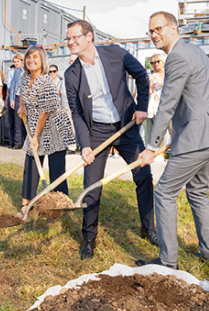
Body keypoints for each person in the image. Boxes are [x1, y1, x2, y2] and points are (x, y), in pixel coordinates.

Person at [135, 11, 209, 270]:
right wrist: (202, 108)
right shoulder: (195, 50)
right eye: (150, 31)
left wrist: (150, 148)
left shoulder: (177, 57)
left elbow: (167, 104)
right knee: (197, 191)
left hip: (198, 138)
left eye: (158, 29)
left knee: (165, 191)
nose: (154, 34)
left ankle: (168, 261)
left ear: (173, 28)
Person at [64, 19, 155, 260]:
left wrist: (142, 107)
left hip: (126, 125)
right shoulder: (72, 74)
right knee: (92, 186)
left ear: (89, 37)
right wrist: (84, 145)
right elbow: (77, 113)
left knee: (143, 175)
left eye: (75, 38)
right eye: (68, 39)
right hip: (97, 132)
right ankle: (89, 239)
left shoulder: (115, 54)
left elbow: (143, 77)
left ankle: (148, 228)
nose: (70, 42)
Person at [17, 46, 75, 216]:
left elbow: (45, 112)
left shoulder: (47, 82)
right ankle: (26, 205)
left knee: (56, 169)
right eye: (28, 57)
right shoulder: (24, 77)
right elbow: (21, 93)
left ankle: (60, 206)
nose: (31, 60)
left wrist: (36, 137)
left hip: (53, 127)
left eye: (35, 57)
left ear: (42, 61)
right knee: (31, 166)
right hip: (35, 124)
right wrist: (21, 107)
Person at [144, 53, 167, 149]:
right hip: (151, 106)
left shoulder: (169, 75)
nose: (155, 64)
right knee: (148, 131)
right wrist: (150, 81)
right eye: (153, 62)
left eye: (158, 61)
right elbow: (150, 92)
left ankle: (161, 153)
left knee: (162, 132)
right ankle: (148, 151)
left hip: (164, 106)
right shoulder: (152, 75)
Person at [7, 54, 25, 149]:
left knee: (22, 121)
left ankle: (21, 141)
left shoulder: (26, 71)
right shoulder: (15, 72)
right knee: (15, 121)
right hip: (16, 97)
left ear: (22, 62)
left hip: (24, 97)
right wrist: (12, 100)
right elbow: (12, 86)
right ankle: (15, 142)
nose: (16, 63)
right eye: (14, 62)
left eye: (17, 61)